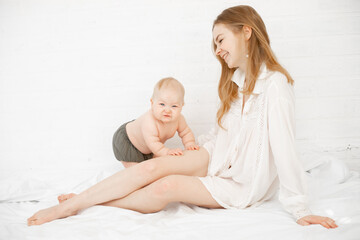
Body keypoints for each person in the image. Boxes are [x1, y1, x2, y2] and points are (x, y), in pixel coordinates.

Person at [27, 5, 338, 229]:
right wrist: (195, 150)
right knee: (156, 167)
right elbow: (226, 135)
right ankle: (71, 204)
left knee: (166, 187)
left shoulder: (276, 85)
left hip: (242, 182)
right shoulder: (236, 82)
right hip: (215, 156)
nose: (217, 50)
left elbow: (284, 148)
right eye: (215, 44)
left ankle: (83, 203)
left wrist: (300, 209)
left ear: (246, 31)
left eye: (220, 39)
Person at [112, 77, 199, 168]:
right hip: (128, 141)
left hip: (149, 148)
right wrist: (167, 152)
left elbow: (186, 132)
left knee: (156, 168)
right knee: (137, 172)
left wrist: (190, 144)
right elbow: (153, 144)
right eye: (162, 104)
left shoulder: (179, 119)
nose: (167, 110)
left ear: (182, 106)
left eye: (174, 106)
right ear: (152, 103)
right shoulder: (149, 122)